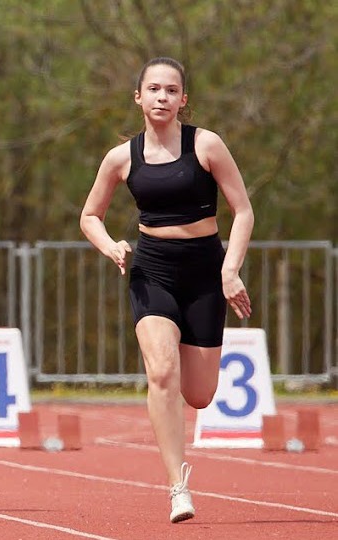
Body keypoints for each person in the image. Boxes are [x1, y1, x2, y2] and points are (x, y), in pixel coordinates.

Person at [79, 57, 253, 523]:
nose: (162, 97)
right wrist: (110, 244)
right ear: (138, 97)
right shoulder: (122, 157)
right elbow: (89, 215)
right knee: (161, 371)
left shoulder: (207, 146)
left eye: (171, 90)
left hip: (205, 270)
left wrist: (230, 269)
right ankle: (178, 485)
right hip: (152, 268)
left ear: (183, 100)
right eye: (153, 89)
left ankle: (181, 453)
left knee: (199, 394)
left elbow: (243, 211)